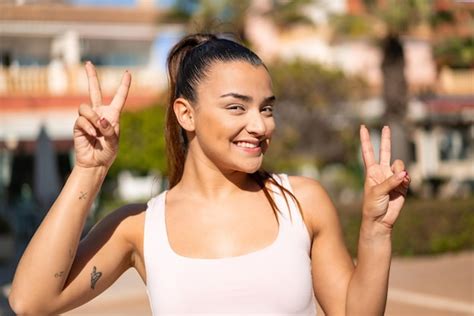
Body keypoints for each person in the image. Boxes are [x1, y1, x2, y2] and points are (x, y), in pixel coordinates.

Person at [9, 33, 410, 315]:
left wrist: (376, 232)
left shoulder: (301, 202)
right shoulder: (140, 227)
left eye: (266, 108)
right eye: (237, 107)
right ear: (186, 114)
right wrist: (89, 170)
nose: (260, 125)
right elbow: (31, 302)